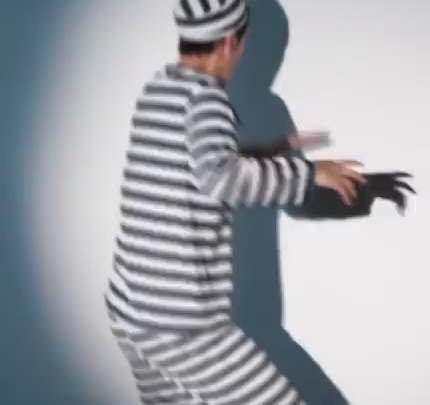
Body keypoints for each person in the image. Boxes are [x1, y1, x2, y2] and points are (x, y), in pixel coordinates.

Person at [102, 0, 372, 403]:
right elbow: (219, 177)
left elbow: (194, 163)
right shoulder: (207, 99)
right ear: (230, 41)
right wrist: (310, 173)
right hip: (181, 321)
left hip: (132, 307)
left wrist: (272, 151)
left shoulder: (157, 89)